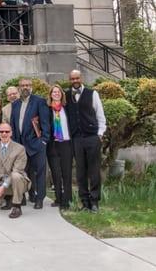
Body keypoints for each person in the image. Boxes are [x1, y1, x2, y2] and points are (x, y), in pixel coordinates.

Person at [65, 70, 106, 212]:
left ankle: (94, 201)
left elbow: (100, 114)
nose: (75, 80)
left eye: (77, 78)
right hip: (76, 138)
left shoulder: (92, 94)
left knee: (94, 170)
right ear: (69, 80)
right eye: (72, 78)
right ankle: (84, 201)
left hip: (92, 137)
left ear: (81, 78)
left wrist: (100, 133)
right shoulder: (66, 95)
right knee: (80, 171)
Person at [10, 78, 51, 209]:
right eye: (23, 86)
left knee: (39, 172)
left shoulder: (39, 101)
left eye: (27, 85)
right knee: (22, 172)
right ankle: (24, 196)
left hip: (36, 143)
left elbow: (45, 123)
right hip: (20, 145)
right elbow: (13, 125)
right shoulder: (15, 104)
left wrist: (43, 141)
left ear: (31, 87)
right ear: (19, 88)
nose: (25, 88)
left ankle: (40, 198)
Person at [47, 84, 73, 210]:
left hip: (66, 144)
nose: (56, 94)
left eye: (58, 92)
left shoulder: (67, 108)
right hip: (53, 144)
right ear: (50, 95)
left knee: (66, 172)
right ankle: (58, 198)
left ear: (61, 94)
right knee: (56, 173)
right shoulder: (47, 109)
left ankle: (67, 200)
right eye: (54, 92)